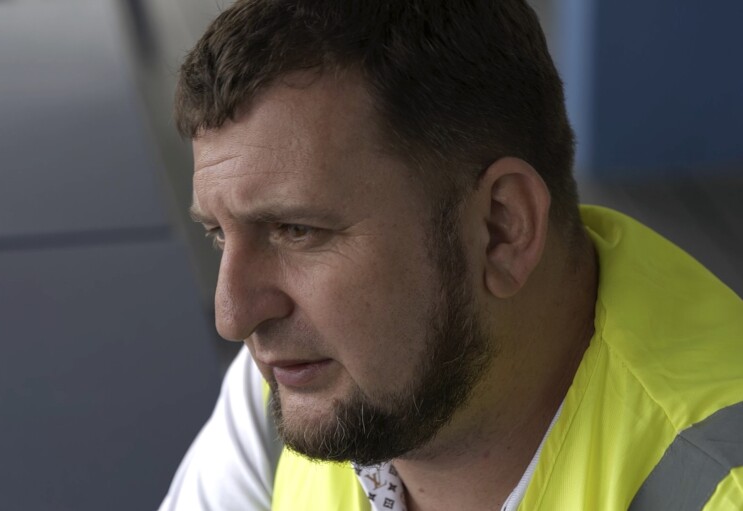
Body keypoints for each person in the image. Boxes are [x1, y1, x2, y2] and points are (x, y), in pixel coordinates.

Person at [158, 1, 743, 510]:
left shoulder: (719, 484)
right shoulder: (288, 392)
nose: (233, 316)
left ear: (501, 229)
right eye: (217, 233)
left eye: (296, 230)